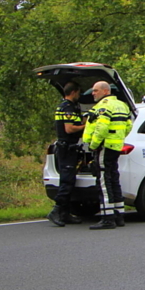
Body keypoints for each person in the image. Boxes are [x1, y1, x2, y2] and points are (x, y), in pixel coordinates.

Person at [83, 81, 134, 230]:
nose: (93, 93)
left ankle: (107, 218)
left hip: (104, 146)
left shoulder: (104, 106)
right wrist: (118, 139)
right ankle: (119, 215)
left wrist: (93, 145)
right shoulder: (122, 105)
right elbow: (128, 126)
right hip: (115, 146)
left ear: (105, 91)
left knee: (104, 181)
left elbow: (102, 127)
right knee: (113, 177)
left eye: (95, 90)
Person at [48, 82, 86, 227]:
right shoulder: (67, 107)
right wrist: (86, 126)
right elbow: (69, 129)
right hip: (67, 148)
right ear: (74, 92)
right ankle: (56, 210)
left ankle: (65, 214)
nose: (80, 95)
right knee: (67, 181)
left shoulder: (68, 107)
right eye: (79, 92)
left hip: (68, 147)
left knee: (69, 180)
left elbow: (75, 123)